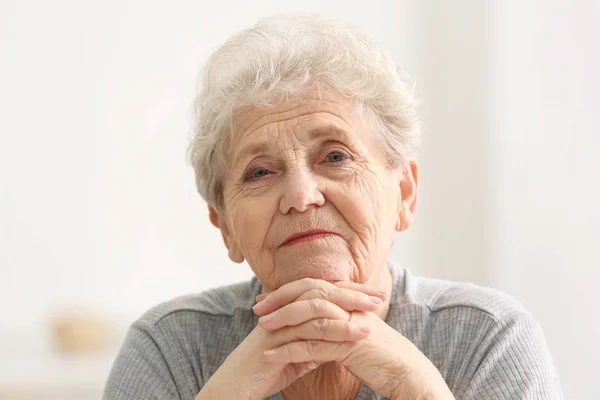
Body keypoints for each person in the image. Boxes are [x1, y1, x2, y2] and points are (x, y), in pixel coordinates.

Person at [103, 14, 562, 400]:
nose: (302, 196)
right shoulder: (168, 347)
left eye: (336, 157)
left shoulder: (490, 338)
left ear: (404, 194)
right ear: (224, 227)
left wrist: (414, 386)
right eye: (260, 172)